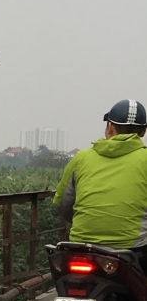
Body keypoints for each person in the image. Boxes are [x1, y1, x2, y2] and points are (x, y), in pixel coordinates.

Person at [55, 99, 147, 259]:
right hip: (132, 249)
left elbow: (63, 204)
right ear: (143, 132)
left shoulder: (81, 158)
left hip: (80, 244)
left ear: (109, 127)